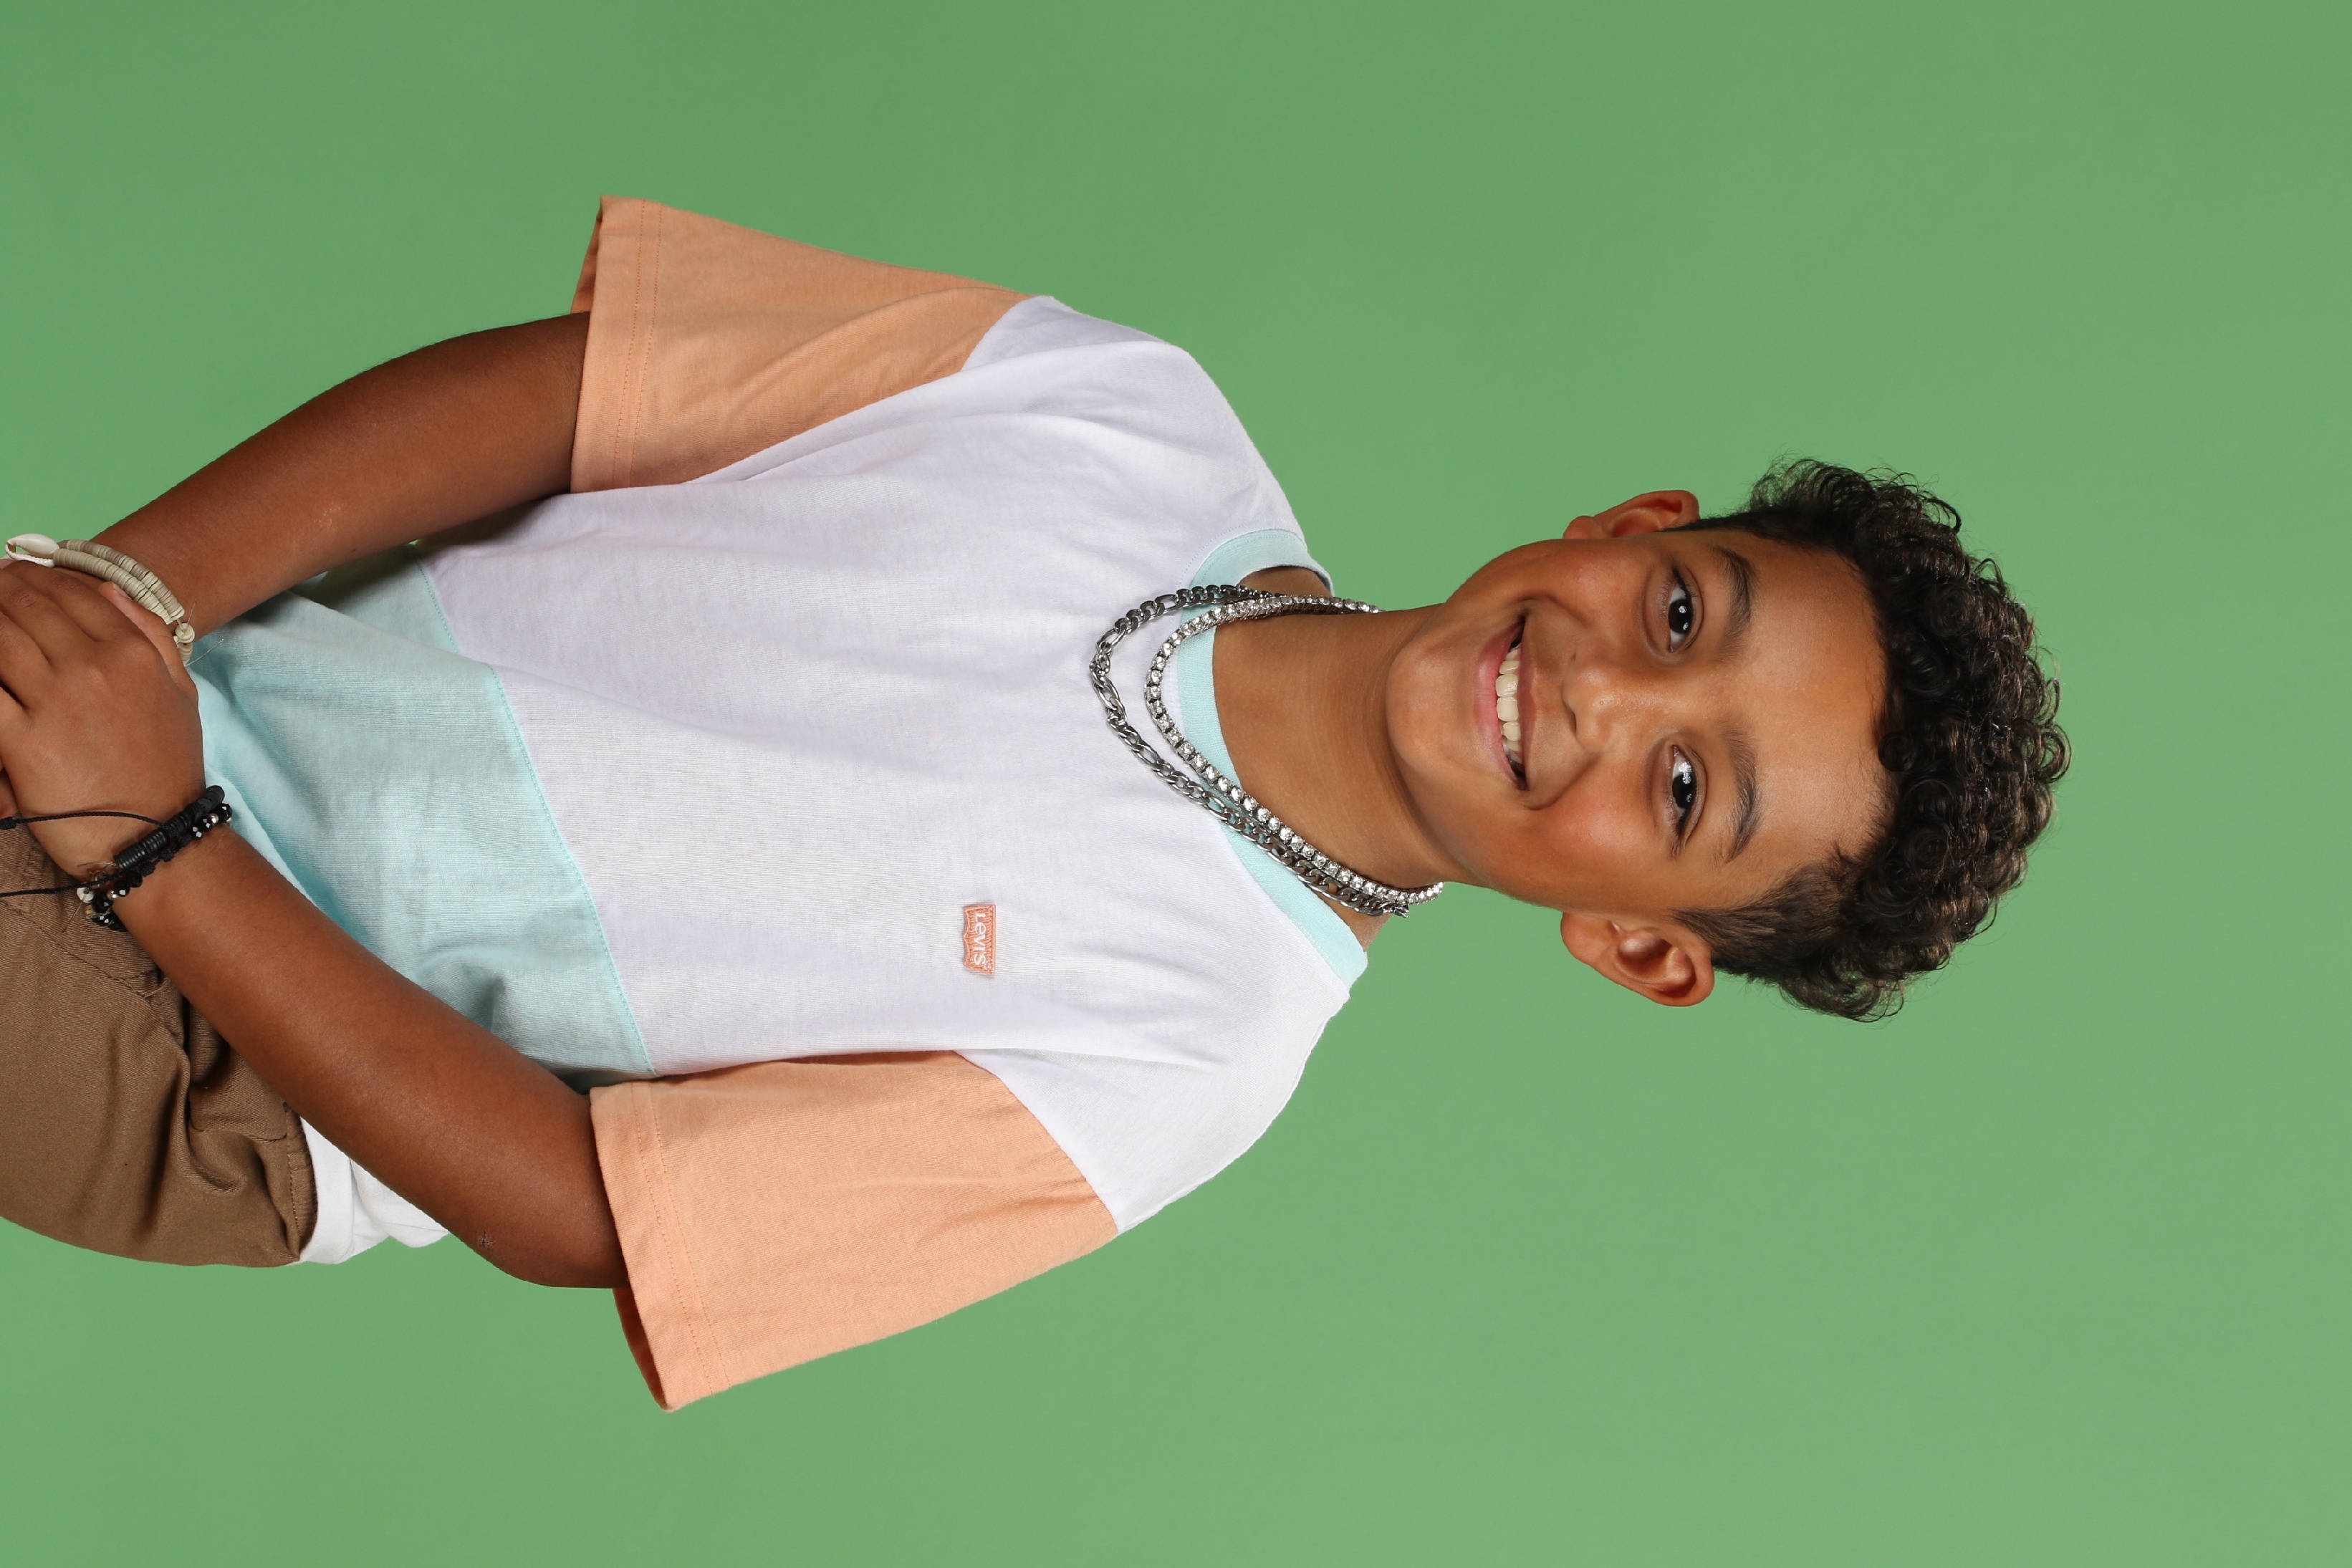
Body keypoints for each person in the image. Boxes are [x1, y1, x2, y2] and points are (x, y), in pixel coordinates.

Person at [0, 198, 2065, 1408]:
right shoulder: (1110, 407)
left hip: (217, 1056)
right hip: (168, 698)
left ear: (1634, 946)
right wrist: (122, 609)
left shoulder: (1181, 1061)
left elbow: (578, 1206)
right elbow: (563, 396)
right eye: (1682, 608)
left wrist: (156, 844)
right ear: (1624, 521)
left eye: (1685, 789)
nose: (1604, 687)